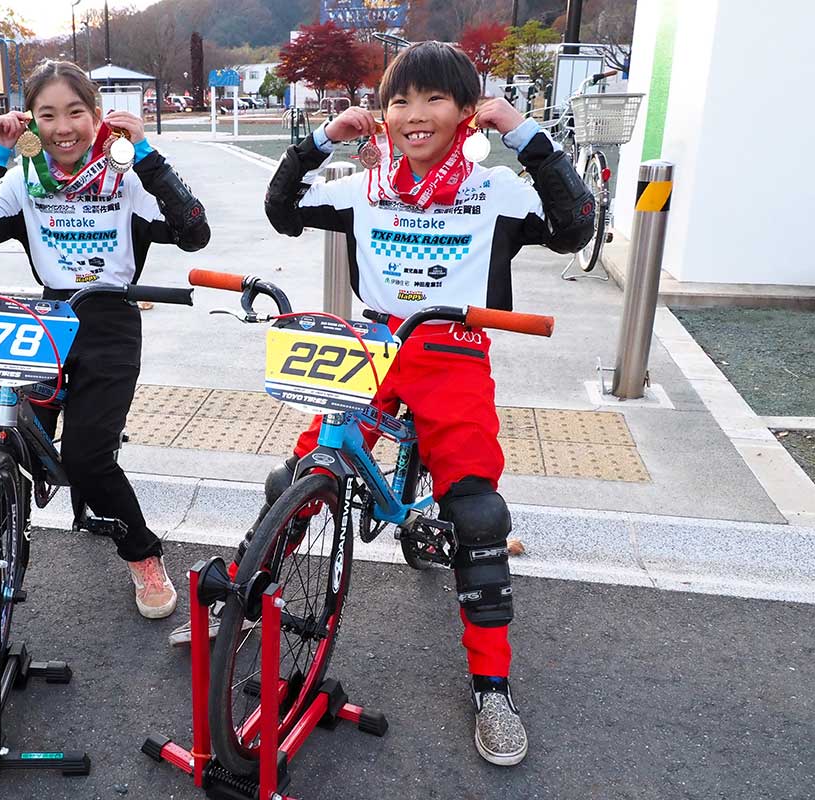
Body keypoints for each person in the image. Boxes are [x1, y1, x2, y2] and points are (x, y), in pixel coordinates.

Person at [257, 42, 594, 766]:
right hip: (371, 345)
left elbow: (574, 228)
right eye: (399, 100)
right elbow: (282, 212)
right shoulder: (362, 186)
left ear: (465, 112)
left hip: (453, 348)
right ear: (381, 113)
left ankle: (492, 688)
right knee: (296, 478)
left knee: (475, 511)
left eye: (435, 99)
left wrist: (523, 133)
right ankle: (249, 607)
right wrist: (320, 139)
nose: (415, 115)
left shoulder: (495, 190)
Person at [0, 60, 210, 620]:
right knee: (7, 439)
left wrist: (149, 154)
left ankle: (142, 553)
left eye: (76, 112)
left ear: (96, 115)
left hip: (109, 321)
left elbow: (193, 230)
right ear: (30, 121)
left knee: (87, 458)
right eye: (48, 114)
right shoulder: (21, 179)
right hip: (48, 317)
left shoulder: (126, 177)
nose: (64, 127)